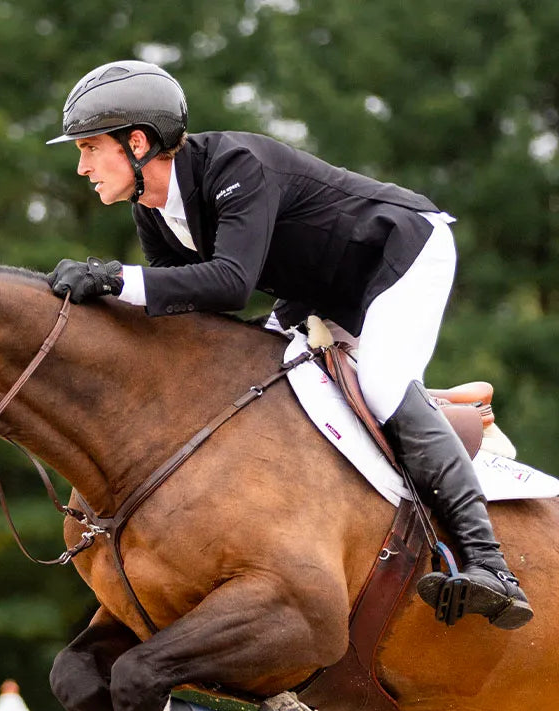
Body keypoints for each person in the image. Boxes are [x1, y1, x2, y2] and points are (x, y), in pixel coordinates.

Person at [46, 59, 532, 630]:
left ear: (136, 141)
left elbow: (228, 283)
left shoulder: (235, 165)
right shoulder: (153, 212)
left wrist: (114, 278)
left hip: (396, 256)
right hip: (314, 292)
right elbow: (185, 314)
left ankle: (492, 566)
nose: (80, 167)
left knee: (379, 384)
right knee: (265, 381)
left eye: (88, 148)